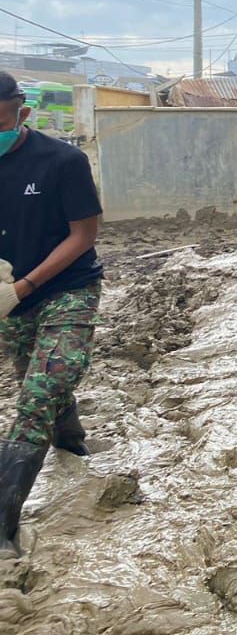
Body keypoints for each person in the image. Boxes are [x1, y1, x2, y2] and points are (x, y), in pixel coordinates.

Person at [0, 71, 104, 558]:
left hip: (65, 288)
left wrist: (24, 286)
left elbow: (83, 234)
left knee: (42, 386)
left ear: (20, 109)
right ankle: (71, 442)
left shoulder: (62, 161)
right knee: (37, 380)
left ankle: (2, 525)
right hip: (8, 296)